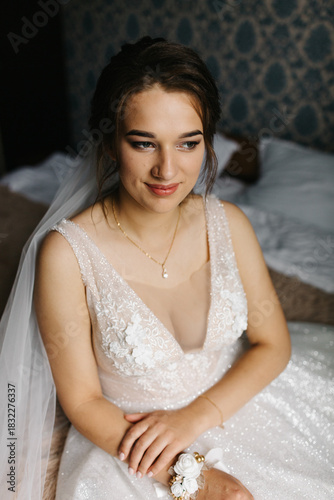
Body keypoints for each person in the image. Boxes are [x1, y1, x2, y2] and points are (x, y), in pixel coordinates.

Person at [0, 37, 333, 500]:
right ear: (111, 143)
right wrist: (193, 477)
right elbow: (82, 401)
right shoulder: (67, 254)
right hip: (134, 447)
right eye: (143, 143)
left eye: (188, 143)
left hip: (243, 403)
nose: (167, 170)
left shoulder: (229, 225)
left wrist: (195, 417)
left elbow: (273, 344)